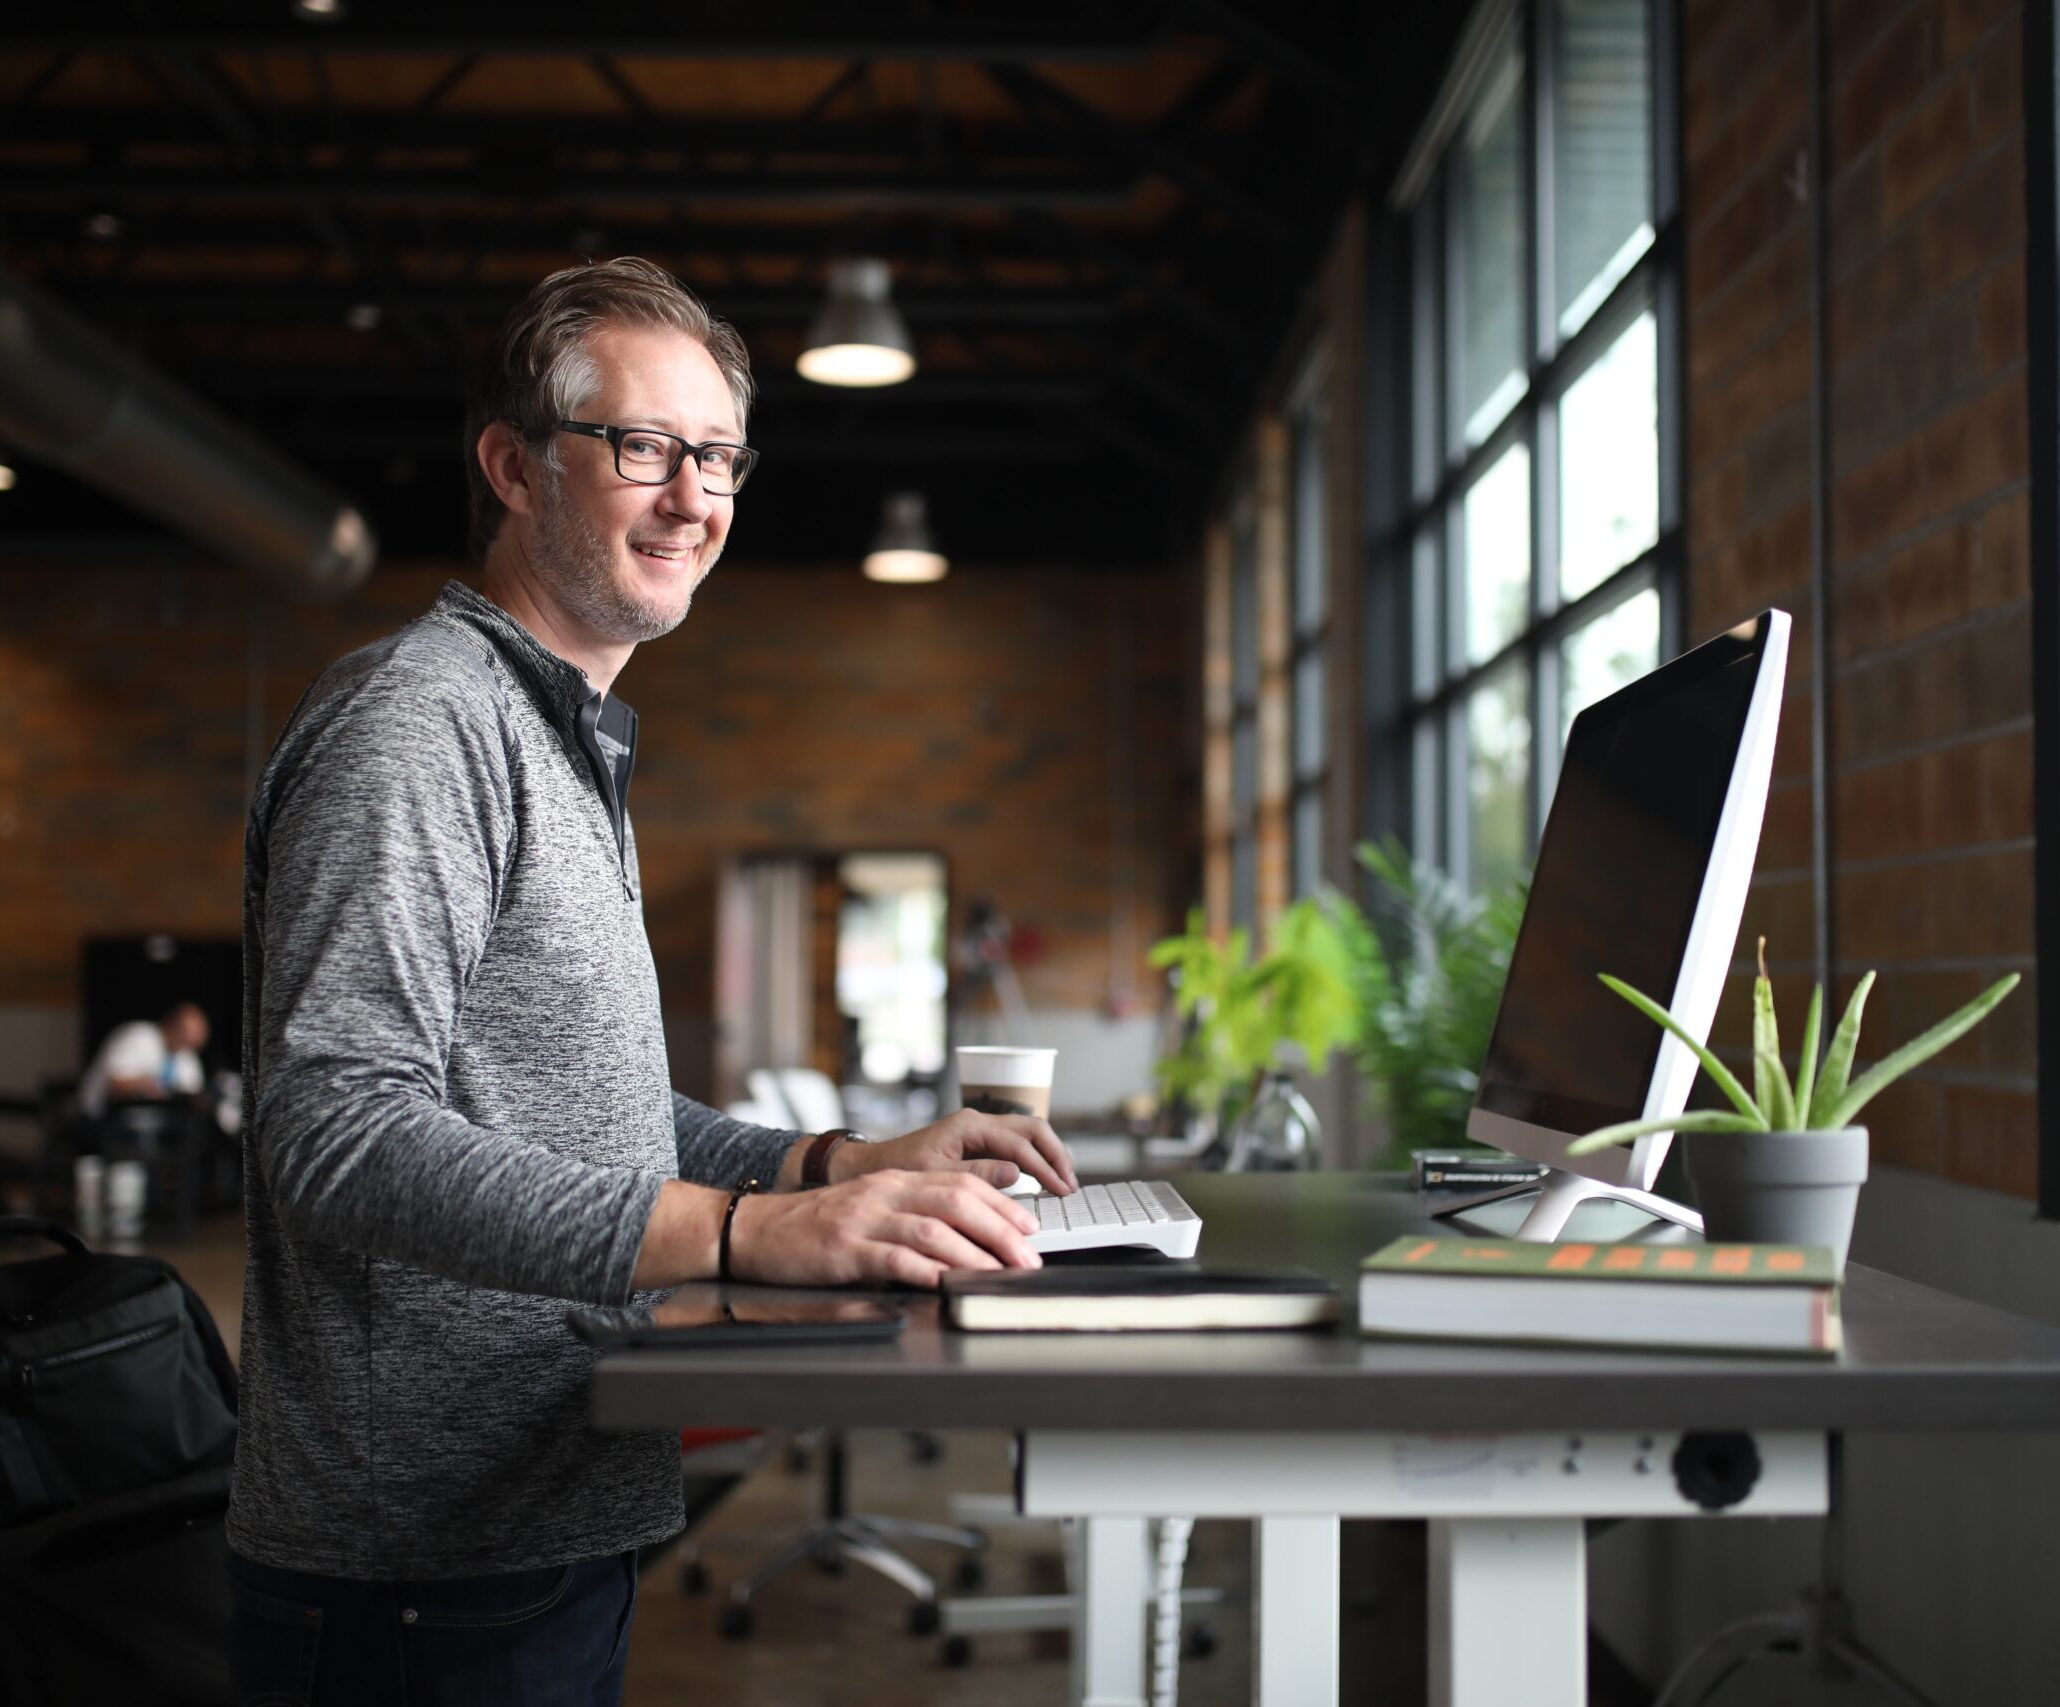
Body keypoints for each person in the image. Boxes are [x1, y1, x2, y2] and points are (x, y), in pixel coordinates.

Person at [226, 257, 1079, 1706]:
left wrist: (834, 1162)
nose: (693, 496)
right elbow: (335, 1129)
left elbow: (586, 1114)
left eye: (721, 456)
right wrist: (747, 1231)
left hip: (533, 1517)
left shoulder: (561, 736)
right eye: (643, 447)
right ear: (511, 464)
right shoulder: (421, 723)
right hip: (420, 1565)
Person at [76, 1001, 208, 1118]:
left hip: (157, 1124)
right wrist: (146, 1084)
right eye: (185, 1033)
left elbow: (192, 1094)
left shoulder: (187, 1055)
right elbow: (112, 1085)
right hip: (102, 1117)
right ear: (171, 1023)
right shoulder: (138, 1037)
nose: (189, 1042)